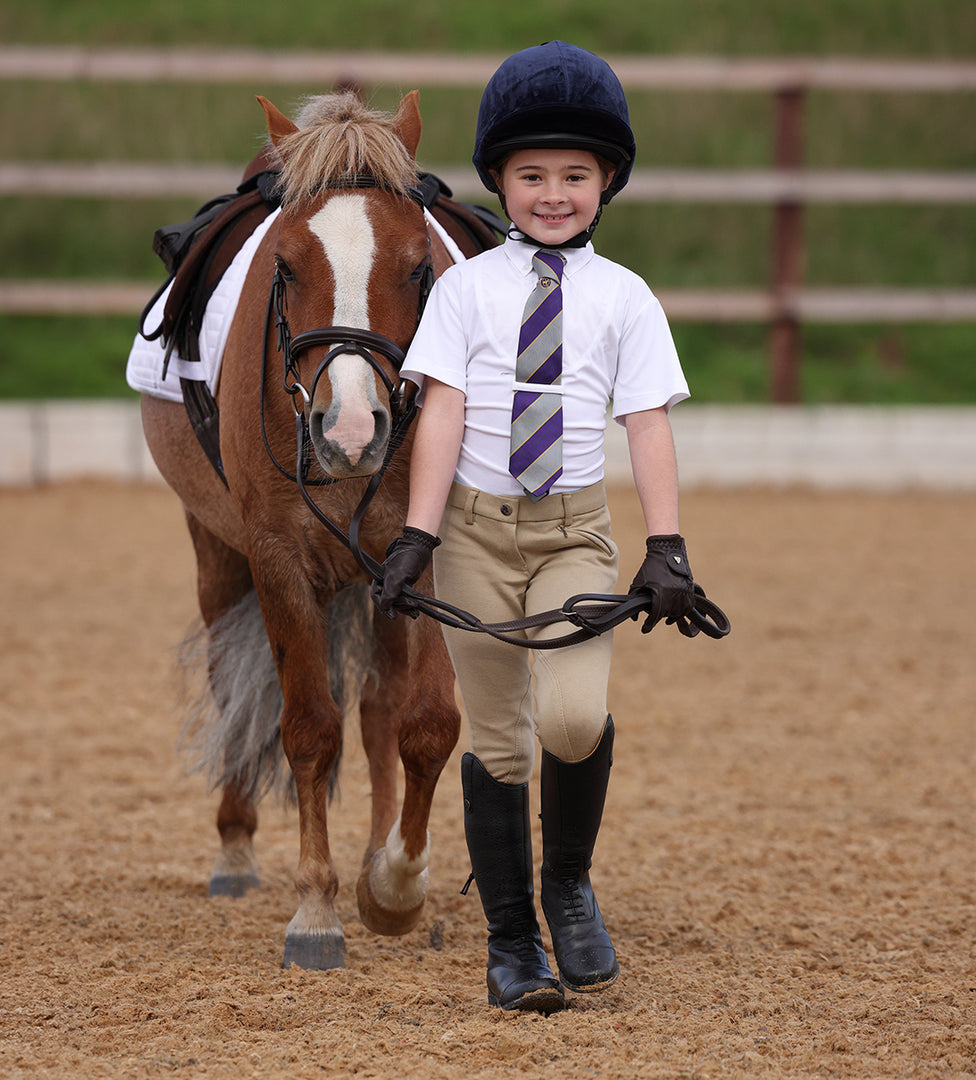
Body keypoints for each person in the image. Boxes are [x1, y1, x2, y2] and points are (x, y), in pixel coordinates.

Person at [372, 41, 699, 1014]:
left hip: (574, 536)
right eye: (531, 176)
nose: (552, 195)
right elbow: (441, 413)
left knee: (572, 716)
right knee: (502, 740)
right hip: (471, 533)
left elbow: (646, 424)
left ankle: (570, 885)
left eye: (574, 175)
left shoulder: (625, 299)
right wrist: (418, 536)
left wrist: (667, 546)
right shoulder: (466, 289)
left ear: (607, 182)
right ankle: (513, 941)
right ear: (500, 182)